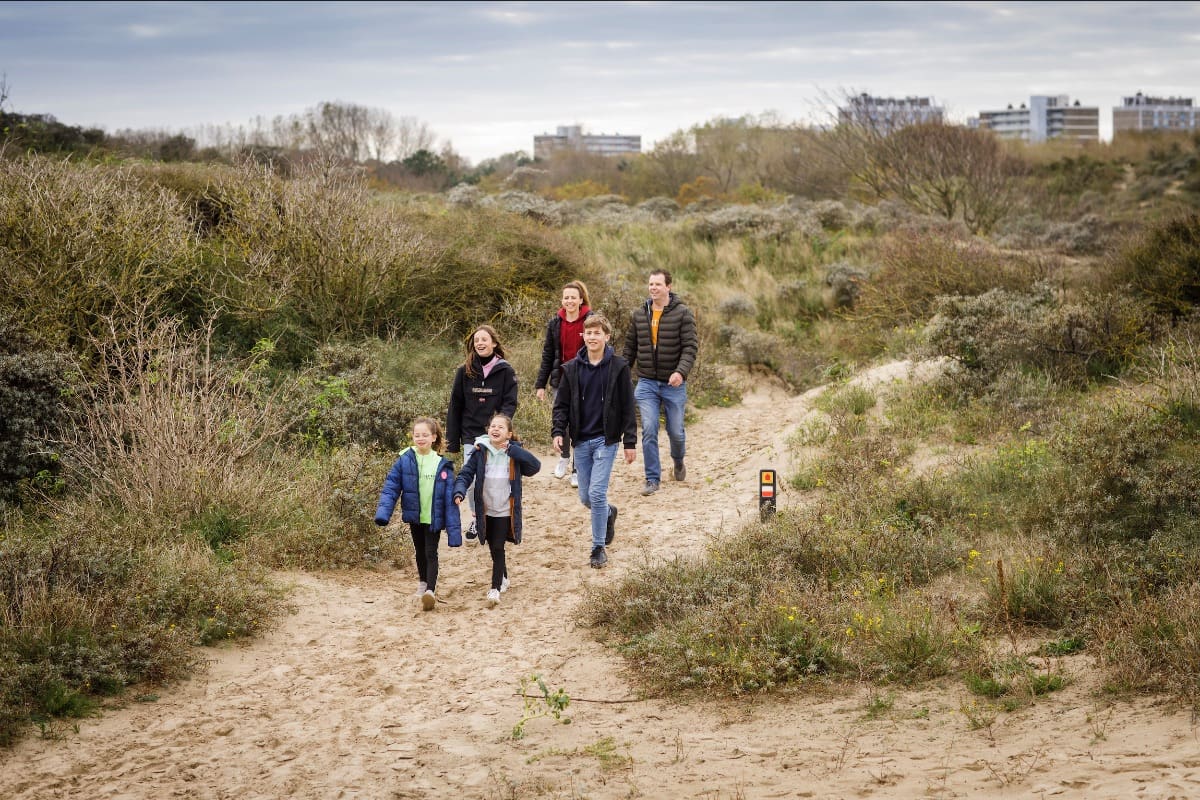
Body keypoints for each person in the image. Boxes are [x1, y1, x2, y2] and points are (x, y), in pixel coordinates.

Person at [552, 314, 636, 569]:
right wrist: (558, 431)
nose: (592, 337)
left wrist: (630, 441)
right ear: (583, 336)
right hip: (581, 441)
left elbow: (627, 407)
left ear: (607, 337)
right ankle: (609, 512)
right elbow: (561, 406)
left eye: (597, 333)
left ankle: (598, 547)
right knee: (586, 498)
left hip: (605, 440)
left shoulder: (619, 367)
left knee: (597, 493)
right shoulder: (571, 369)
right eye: (588, 333)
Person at [374, 417, 463, 612]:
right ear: (412, 437)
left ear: (433, 437)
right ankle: (423, 582)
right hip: (415, 515)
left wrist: (454, 528)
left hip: (434, 517)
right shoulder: (405, 459)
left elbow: (450, 498)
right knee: (420, 551)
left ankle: (430, 591)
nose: (420, 438)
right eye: (417, 435)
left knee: (431, 552)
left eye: (425, 435)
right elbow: (391, 487)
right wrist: (383, 513)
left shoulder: (442, 464)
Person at [622, 269, 698, 496]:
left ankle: (678, 460)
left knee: (675, 432)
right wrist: (619, 374)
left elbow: (690, 348)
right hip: (646, 383)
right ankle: (652, 478)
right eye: (650, 284)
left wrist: (681, 373)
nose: (653, 288)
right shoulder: (639, 314)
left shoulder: (683, 313)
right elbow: (629, 349)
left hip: (673, 383)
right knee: (649, 429)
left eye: (657, 284)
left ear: (668, 287)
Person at [454, 413, 541, 607]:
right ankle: (504, 577)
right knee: (492, 546)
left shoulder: (513, 453)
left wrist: (514, 450)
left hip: (504, 510)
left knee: (498, 547)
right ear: (488, 430)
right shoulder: (479, 451)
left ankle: (495, 589)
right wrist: (459, 491)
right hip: (485, 509)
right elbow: (465, 474)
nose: (495, 429)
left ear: (509, 434)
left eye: (501, 427)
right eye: (493, 426)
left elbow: (535, 467)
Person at [445, 324, 518, 543]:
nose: (480, 343)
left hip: (495, 434)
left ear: (494, 343)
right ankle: (477, 518)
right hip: (470, 433)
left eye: (484, 339)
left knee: (493, 478)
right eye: (477, 340)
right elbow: (455, 405)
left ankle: (497, 516)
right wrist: (452, 441)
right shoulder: (464, 371)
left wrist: (499, 428)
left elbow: (510, 403)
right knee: (471, 478)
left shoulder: (506, 370)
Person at [534, 280, 592, 489]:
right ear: (562, 300)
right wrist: (541, 385)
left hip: (585, 380)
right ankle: (564, 458)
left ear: (580, 300)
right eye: (566, 297)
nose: (569, 301)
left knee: (582, 424)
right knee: (563, 421)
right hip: (561, 380)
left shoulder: (589, 320)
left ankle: (577, 469)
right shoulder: (555, 323)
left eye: (573, 297)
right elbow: (548, 355)